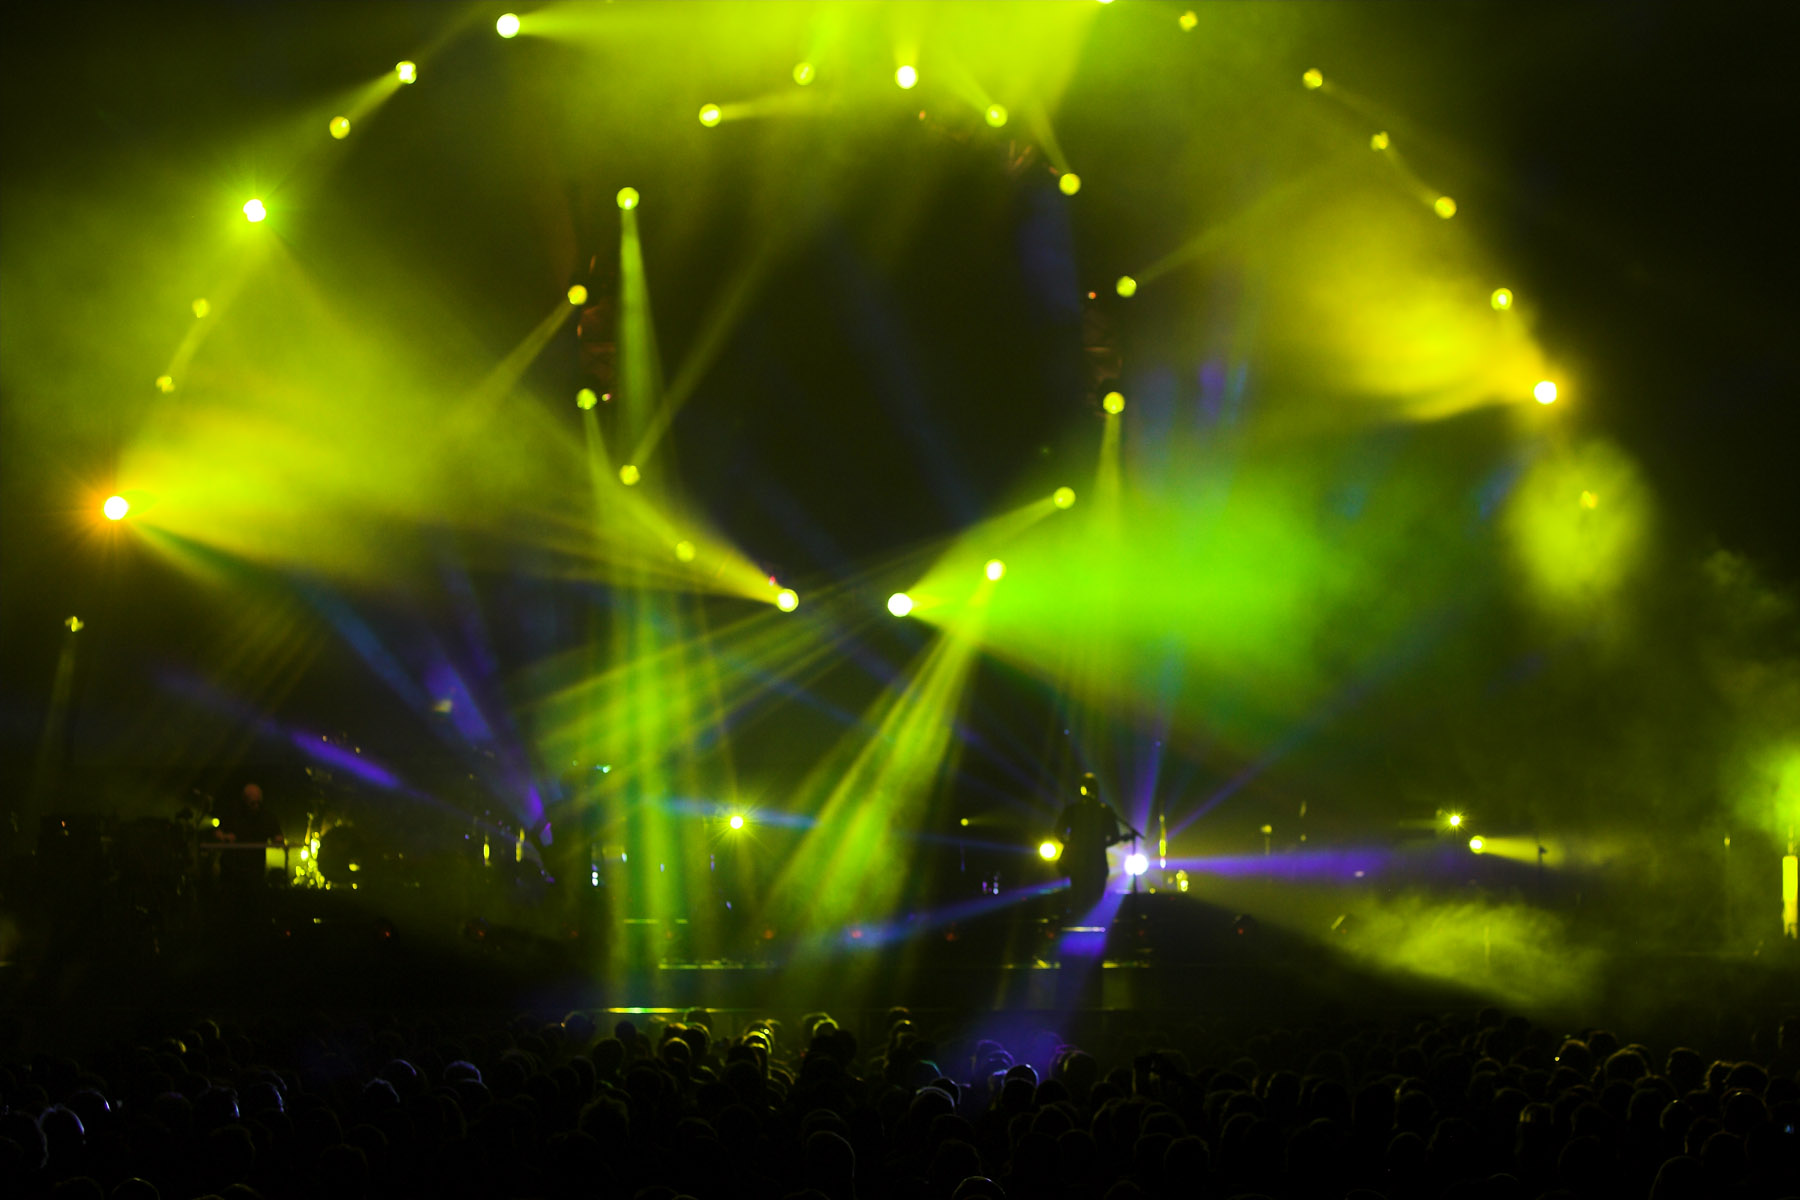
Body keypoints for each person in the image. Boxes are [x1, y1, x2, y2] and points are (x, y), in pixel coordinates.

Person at [1054, 773, 1131, 913]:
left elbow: (1058, 832)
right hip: (1097, 862)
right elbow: (1115, 836)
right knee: (1094, 900)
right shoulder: (1104, 810)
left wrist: (1070, 845)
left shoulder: (1073, 809)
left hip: (1078, 863)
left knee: (1079, 898)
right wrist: (1099, 845)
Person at [213, 782, 284, 889]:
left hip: (255, 871)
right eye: (252, 803)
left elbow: (278, 836)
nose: (256, 806)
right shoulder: (233, 814)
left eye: (258, 803)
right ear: (244, 800)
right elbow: (217, 832)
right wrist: (223, 837)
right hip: (231, 871)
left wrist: (278, 840)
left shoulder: (267, 817)